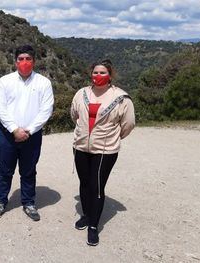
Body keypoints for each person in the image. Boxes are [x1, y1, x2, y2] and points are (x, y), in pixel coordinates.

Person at [70, 59, 135, 246]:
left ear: (110, 75)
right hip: (81, 146)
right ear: (91, 74)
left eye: (103, 73)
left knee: (97, 186)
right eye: (96, 72)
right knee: (84, 183)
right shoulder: (81, 93)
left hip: (105, 150)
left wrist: (114, 137)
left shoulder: (122, 98)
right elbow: (74, 115)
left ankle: (93, 226)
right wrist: (83, 132)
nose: (98, 76)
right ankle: (86, 215)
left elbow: (128, 123)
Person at [0, 45, 54, 221]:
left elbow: (46, 109)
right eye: (21, 59)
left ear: (34, 61)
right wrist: (14, 129)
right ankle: (0, 201)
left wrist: (30, 130)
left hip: (32, 136)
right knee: (5, 170)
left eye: (28, 59)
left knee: (29, 171)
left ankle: (29, 203)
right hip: (7, 134)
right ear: (15, 61)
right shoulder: (5, 81)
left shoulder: (43, 83)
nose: (24, 62)